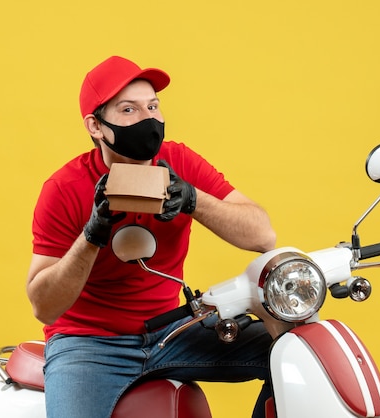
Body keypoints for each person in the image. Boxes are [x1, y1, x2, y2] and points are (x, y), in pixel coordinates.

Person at [26, 55, 277, 418]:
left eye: (153, 106)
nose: (148, 119)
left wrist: (193, 198)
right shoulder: (64, 189)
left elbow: (263, 235)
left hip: (171, 332)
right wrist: (93, 233)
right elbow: (44, 306)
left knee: (294, 352)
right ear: (96, 126)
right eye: (129, 110)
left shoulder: (180, 161)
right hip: (89, 344)